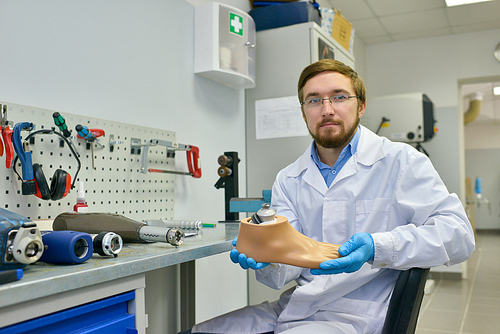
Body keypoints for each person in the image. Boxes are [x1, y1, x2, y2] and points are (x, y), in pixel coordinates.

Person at [181, 59, 475, 334]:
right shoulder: (289, 178)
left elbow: (458, 235)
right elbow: (285, 266)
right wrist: (266, 259)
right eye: (314, 100)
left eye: (339, 96)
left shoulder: (400, 161)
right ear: (304, 111)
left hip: (361, 314)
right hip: (297, 305)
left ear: (360, 106)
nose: (327, 109)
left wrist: (377, 247)